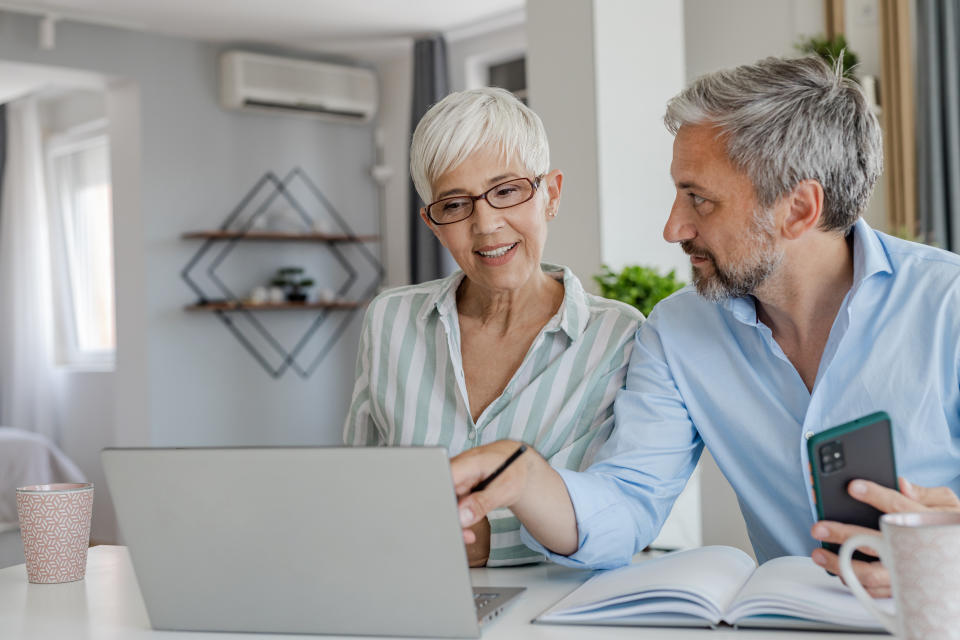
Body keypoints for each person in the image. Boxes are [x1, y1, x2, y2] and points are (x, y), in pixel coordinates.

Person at [450, 56, 960, 597]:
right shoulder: (677, 332)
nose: (673, 228)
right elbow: (629, 500)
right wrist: (528, 478)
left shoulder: (947, 305)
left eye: (699, 199)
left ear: (798, 209)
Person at [343, 87, 642, 567]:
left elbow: (618, 512)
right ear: (434, 224)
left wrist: (487, 541)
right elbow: (358, 484)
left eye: (506, 191)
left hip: (552, 614)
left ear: (552, 195)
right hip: (410, 593)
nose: (485, 224)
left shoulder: (618, 338)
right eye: (456, 205)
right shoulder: (390, 320)